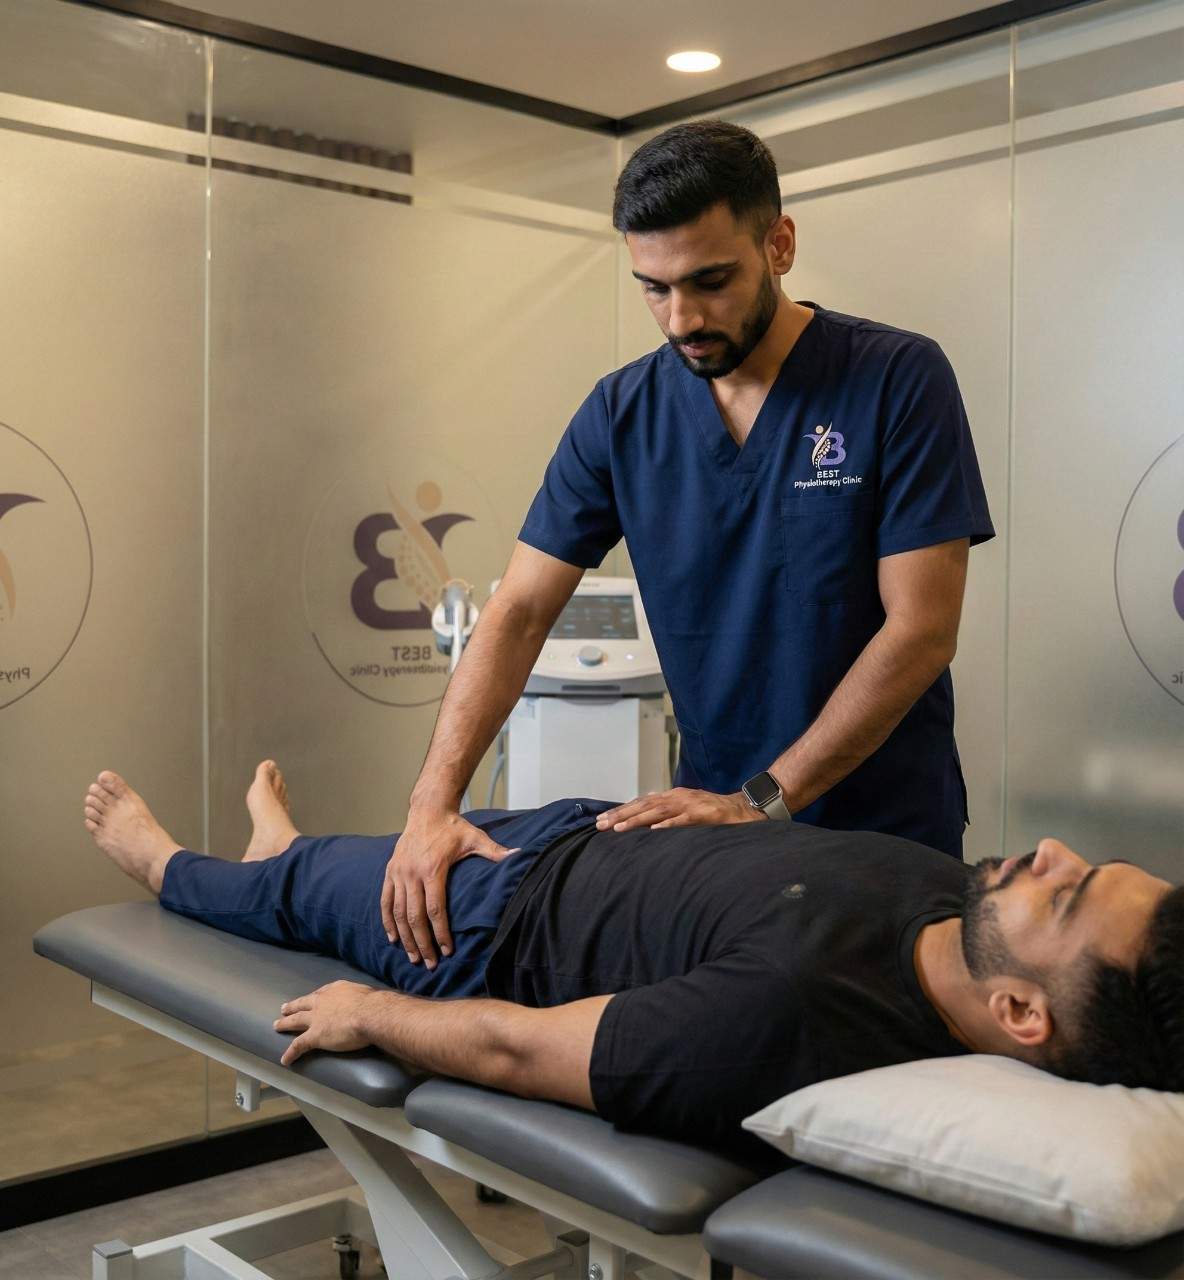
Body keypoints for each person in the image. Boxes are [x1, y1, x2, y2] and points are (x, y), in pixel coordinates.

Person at [387, 119, 995, 971]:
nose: (682, 318)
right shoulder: (621, 413)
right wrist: (431, 805)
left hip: (884, 832)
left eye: (710, 281)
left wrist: (763, 801)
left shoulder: (895, 379)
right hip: (717, 839)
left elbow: (922, 628)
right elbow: (520, 609)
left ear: (778, 244)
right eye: (653, 288)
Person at [83, 763, 1183, 1157]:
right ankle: (292, 858)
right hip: (572, 832)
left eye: (1068, 892)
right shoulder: (960, 903)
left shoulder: (784, 1013)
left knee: (285, 891)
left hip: (482, 926)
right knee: (333, 865)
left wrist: (372, 1014)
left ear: (1020, 1014)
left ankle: (175, 860)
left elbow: (521, 1046)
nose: (1049, 851)